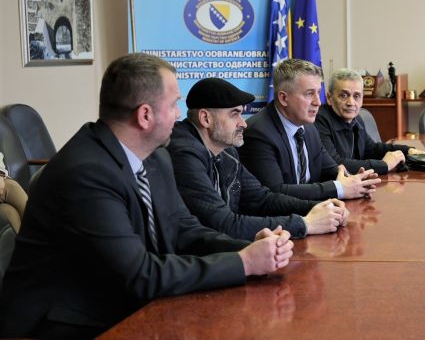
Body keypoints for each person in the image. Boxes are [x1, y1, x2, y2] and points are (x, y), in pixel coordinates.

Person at [0, 53, 292, 340]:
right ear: (145, 115)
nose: (179, 114)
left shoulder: (155, 157)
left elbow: (184, 229)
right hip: (63, 323)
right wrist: (243, 263)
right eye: (174, 104)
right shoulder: (86, 173)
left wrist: (250, 248)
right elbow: (140, 275)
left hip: (121, 301)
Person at [167, 77, 351, 241]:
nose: (243, 123)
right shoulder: (184, 155)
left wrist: (320, 207)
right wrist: (305, 224)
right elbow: (224, 224)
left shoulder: (227, 151)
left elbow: (261, 199)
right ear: (205, 118)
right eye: (234, 114)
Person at [239, 58, 380, 200]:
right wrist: (339, 189)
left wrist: (353, 181)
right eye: (309, 93)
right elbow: (275, 193)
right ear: (283, 98)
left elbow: (328, 168)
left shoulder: (309, 127)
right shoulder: (258, 133)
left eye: (318, 92)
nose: (318, 102)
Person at [315, 68, 424, 175]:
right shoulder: (319, 120)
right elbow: (335, 164)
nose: (351, 102)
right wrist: (384, 164)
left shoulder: (357, 119)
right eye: (344, 95)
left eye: (356, 96)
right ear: (329, 98)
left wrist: (407, 151)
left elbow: (372, 150)